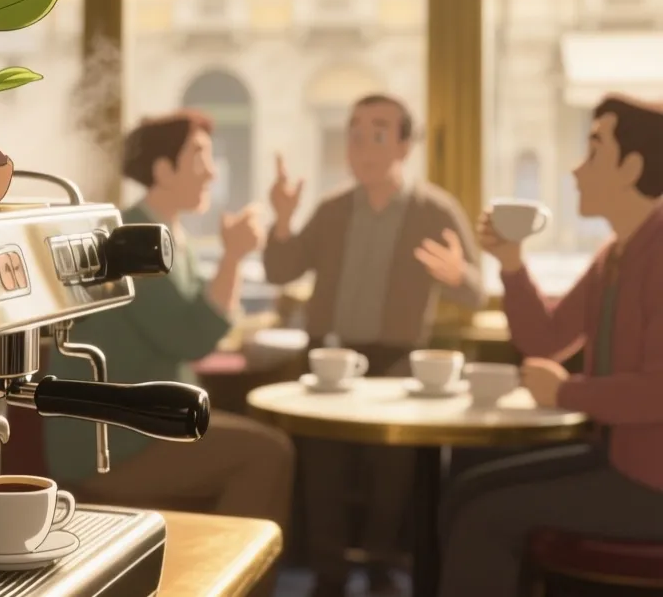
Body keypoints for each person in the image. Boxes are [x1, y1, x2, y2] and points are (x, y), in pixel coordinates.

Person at [439, 94, 663, 597]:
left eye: (593, 153)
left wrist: (567, 394)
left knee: (483, 515)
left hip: (653, 485)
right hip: (618, 459)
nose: (576, 171)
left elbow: (658, 391)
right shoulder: (614, 256)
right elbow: (545, 338)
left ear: (632, 167)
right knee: (467, 486)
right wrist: (512, 263)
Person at [263, 93, 486, 597]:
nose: (363, 144)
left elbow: (473, 293)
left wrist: (459, 274)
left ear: (405, 146)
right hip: (329, 357)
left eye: (379, 132)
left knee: (393, 470)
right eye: (355, 133)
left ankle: (383, 569)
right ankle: (328, 573)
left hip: (397, 363)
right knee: (321, 466)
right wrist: (281, 219)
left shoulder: (434, 210)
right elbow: (281, 269)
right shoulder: (332, 207)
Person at [43, 110, 295, 535]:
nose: (212, 172)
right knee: (268, 454)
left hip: (146, 426)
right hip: (112, 443)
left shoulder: (171, 233)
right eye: (199, 156)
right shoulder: (134, 236)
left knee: (263, 444)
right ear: (163, 169)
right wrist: (234, 256)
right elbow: (192, 335)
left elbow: (199, 313)